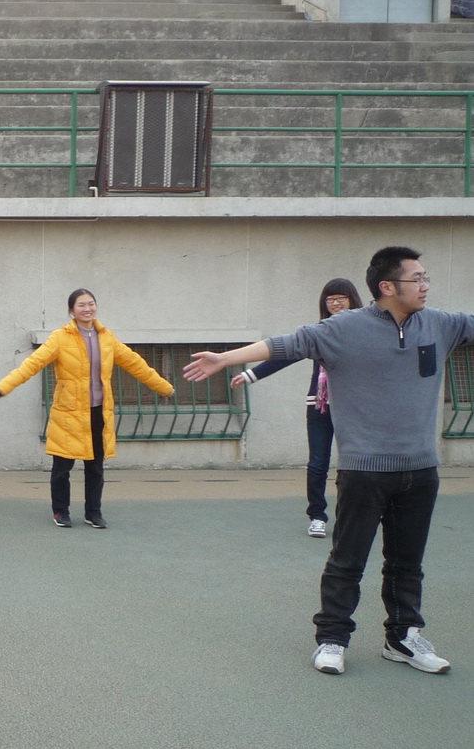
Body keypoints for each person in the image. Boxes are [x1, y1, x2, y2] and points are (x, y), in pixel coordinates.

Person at [185, 246, 472, 677]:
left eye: (426, 277)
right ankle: (333, 639)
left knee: (407, 564)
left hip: (420, 469)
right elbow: (288, 343)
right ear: (387, 286)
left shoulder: (441, 324)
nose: (426, 285)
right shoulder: (344, 328)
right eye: (417, 279)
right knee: (347, 561)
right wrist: (226, 358)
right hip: (364, 470)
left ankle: (403, 638)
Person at [0, 288, 173, 529]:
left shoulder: (107, 337)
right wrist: (5, 386)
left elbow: (135, 364)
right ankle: (61, 512)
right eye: (81, 305)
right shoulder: (60, 338)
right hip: (68, 414)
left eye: (90, 304)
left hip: (99, 412)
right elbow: (32, 364)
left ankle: (93, 512)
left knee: (95, 467)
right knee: (62, 469)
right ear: (71, 311)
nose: (87, 309)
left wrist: (164, 388)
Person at [229, 278, 363, 539]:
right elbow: (288, 353)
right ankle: (317, 517)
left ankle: (348, 517)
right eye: (330, 299)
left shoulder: (364, 332)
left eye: (341, 298)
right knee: (318, 462)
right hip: (318, 405)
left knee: (351, 464)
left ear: (352, 301)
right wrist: (250, 375)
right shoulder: (319, 333)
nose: (335, 303)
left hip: (352, 407)